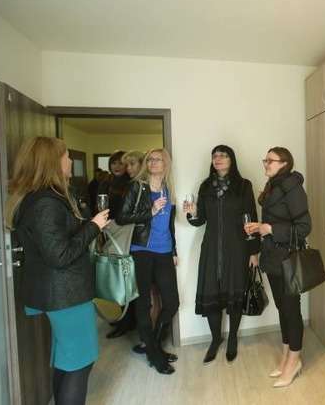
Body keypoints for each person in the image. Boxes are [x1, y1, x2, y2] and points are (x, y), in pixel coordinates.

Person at [6, 137, 110, 405]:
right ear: (53, 162)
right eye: (66, 156)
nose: (70, 161)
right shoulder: (45, 203)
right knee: (80, 362)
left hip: (60, 293)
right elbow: (60, 255)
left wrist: (88, 223)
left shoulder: (42, 198)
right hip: (65, 295)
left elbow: (57, 242)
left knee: (67, 360)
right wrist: (94, 227)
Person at [183, 145, 260, 365]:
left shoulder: (244, 186)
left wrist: (254, 251)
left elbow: (252, 219)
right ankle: (216, 339)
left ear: (231, 159)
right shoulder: (206, 186)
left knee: (235, 292)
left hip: (237, 248)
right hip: (211, 249)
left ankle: (232, 337)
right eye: (215, 156)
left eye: (223, 155)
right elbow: (200, 220)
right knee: (212, 293)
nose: (218, 159)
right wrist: (192, 213)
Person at [245, 147, 312, 388]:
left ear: (284, 163)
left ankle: (294, 360)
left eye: (270, 160)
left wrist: (270, 229)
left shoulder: (293, 188)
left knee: (291, 310)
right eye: (265, 160)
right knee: (282, 308)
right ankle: (287, 356)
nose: (266, 163)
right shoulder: (273, 186)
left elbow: (304, 227)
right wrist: (260, 227)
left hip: (288, 258)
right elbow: (277, 220)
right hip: (273, 258)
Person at [116, 148, 179, 375]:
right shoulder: (137, 187)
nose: (153, 162)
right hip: (141, 250)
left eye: (158, 159)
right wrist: (150, 211)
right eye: (150, 159)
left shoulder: (168, 188)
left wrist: (174, 250)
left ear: (166, 163)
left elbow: (170, 224)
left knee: (171, 302)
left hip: (164, 251)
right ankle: (154, 353)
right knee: (143, 304)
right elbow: (121, 217)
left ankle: (154, 345)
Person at [105, 150, 146, 339]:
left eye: (129, 164)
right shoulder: (110, 183)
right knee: (121, 279)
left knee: (128, 280)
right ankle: (126, 320)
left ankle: (129, 321)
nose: (122, 167)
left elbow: (124, 215)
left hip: (129, 237)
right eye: (115, 163)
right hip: (116, 234)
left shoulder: (135, 185)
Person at [98, 150, 130, 220]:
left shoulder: (131, 182)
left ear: (127, 165)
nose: (117, 166)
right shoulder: (105, 181)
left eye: (121, 163)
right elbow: (100, 203)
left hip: (126, 221)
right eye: (114, 163)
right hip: (107, 220)